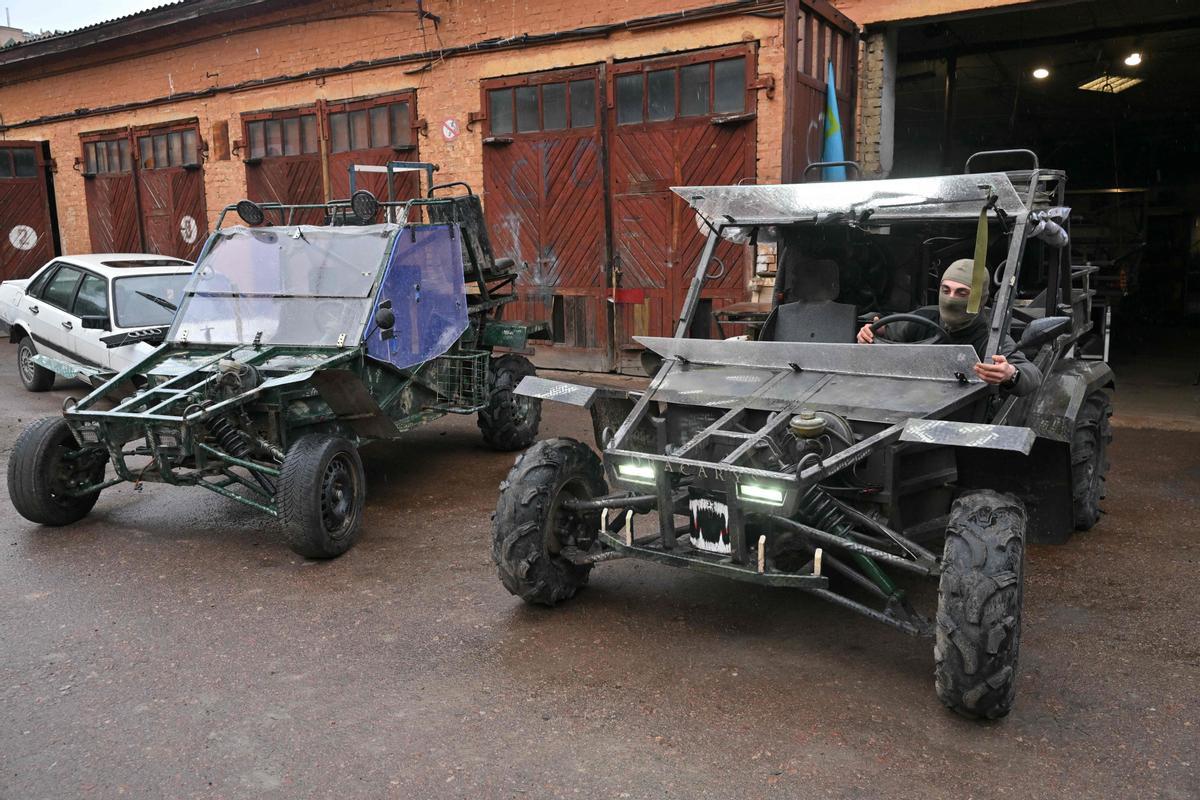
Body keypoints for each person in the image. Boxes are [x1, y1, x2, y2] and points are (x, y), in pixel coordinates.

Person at [856, 258, 1041, 396]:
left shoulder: (989, 336)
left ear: (979, 298)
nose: (951, 298)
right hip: (909, 398)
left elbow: (1032, 374)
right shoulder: (927, 316)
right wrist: (871, 329)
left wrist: (1010, 373)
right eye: (946, 290)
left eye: (962, 292)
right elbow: (887, 325)